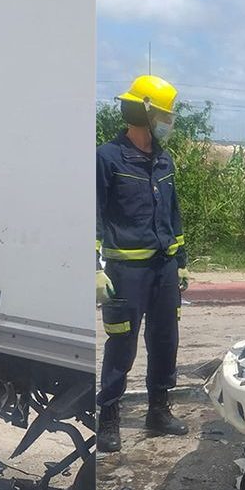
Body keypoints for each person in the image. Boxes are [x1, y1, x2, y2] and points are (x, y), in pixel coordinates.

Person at [95, 75, 190, 453]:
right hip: (126, 271)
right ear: (145, 112)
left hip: (164, 267)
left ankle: (158, 409)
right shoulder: (107, 158)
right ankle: (109, 417)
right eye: (165, 114)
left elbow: (173, 213)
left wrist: (180, 261)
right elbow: (94, 214)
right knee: (122, 343)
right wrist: (94, 267)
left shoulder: (163, 159)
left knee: (166, 339)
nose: (169, 121)